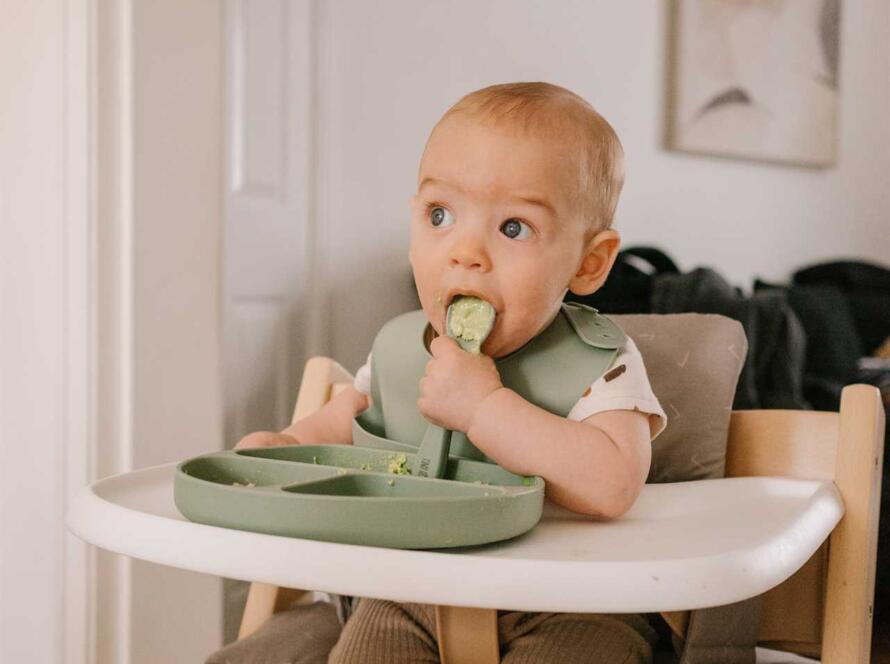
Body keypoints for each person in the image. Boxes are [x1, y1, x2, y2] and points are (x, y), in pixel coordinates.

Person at [219, 82, 666, 664]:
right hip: (410, 588)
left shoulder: (598, 363)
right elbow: (345, 426)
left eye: (513, 228)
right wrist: (281, 449)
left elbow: (613, 484)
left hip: (570, 598)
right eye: (440, 215)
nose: (466, 252)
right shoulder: (401, 349)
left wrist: (486, 408)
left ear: (590, 262)